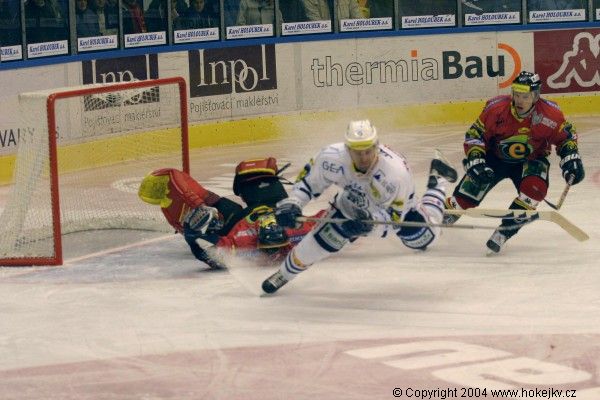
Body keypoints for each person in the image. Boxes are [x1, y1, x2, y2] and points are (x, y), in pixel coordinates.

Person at [261, 119, 458, 294]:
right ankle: (283, 275)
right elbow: (308, 184)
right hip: (351, 202)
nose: (363, 157)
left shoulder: (396, 175)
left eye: (368, 151)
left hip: (396, 209)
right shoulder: (331, 157)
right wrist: (294, 203)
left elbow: (394, 219)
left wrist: (369, 226)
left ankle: (438, 180)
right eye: (357, 152)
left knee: (424, 239)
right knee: (320, 243)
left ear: (376, 146)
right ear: (348, 149)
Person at [444, 71, 585, 253]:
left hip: (532, 159)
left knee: (535, 189)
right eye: (516, 95)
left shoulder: (551, 115)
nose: (519, 100)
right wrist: (476, 159)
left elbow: (566, 138)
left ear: (535, 96)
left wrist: (571, 158)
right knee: (466, 196)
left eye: (525, 96)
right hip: (495, 158)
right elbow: (475, 134)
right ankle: (439, 214)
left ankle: (504, 232)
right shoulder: (496, 109)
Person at [138, 157, 323, 268]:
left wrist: (192, 235)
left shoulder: (243, 241)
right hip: (279, 207)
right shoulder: (302, 229)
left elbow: (208, 254)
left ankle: (201, 207)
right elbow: (328, 219)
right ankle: (265, 176)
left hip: (236, 219)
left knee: (219, 214)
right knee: (271, 193)